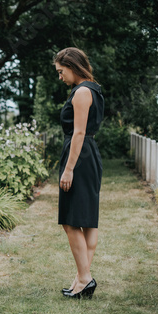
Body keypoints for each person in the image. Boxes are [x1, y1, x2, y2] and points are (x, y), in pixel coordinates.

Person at [54, 47, 104, 299]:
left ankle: (84, 278)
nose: (60, 76)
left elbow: (79, 132)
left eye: (61, 71)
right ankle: (80, 280)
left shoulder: (82, 92)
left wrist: (68, 169)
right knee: (85, 220)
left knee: (71, 220)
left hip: (80, 158)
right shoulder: (92, 89)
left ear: (72, 66)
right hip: (87, 155)